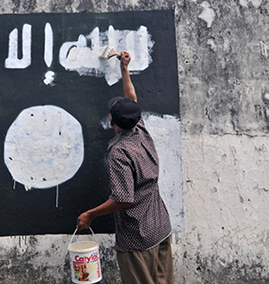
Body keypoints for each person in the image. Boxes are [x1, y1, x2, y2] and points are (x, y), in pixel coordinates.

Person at [76, 51, 174, 284]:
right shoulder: (139, 130)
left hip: (137, 236)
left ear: (112, 121)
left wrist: (90, 214)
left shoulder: (119, 153)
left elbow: (123, 198)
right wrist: (124, 69)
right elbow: (132, 100)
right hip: (161, 225)